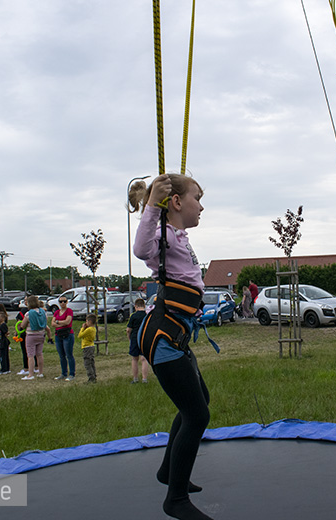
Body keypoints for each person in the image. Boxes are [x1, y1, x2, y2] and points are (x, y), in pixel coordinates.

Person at [130, 173, 213, 520]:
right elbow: (140, 249)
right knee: (198, 415)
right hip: (163, 336)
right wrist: (152, 206)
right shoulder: (162, 233)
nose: (202, 205)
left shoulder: (176, 234)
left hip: (174, 333)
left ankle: (169, 471)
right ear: (176, 202)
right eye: (197, 198)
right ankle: (175, 499)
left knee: (199, 402)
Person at [19, 295, 50, 381]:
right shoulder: (42, 312)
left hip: (31, 335)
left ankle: (31, 374)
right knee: (39, 354)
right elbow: (46, 320)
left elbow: (23, 325)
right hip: (41, 334)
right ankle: (40, 372)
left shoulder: (29, 313)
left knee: (30, 355)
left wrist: (21, 327)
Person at [51, 296, 75, 381]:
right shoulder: (57, 312)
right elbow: (52, 323)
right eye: (61, 301)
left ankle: (72, 374)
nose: (63, 303)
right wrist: (61, 323)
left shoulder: (69, 311)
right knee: (61, 356)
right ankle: (63, 373)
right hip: (58, 335)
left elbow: (68, 322)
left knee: (69, 355)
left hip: (67, 334)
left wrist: (57, 322)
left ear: (67, 302)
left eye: (64, 301)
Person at [126, 298, 149, 383]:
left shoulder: (133, 316)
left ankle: (135, 379)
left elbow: (128, 330)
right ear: (144, 306)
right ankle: (144, 379)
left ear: (136, 306)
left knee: (135, 359)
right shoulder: (147, 316)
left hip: (135, 338)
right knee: (144, 359)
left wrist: (129, 338)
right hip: (144, 338)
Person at [78, 313, 98, 383]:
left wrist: (82, 328)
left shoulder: (89, 329)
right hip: (91, 346)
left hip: (87, 347)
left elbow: (80, 335)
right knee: (91, 362)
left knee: (87, 363)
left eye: (86, 321)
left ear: (89, 322)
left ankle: (91, 378)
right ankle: (94, 376)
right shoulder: (93, 329)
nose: (85, 323)